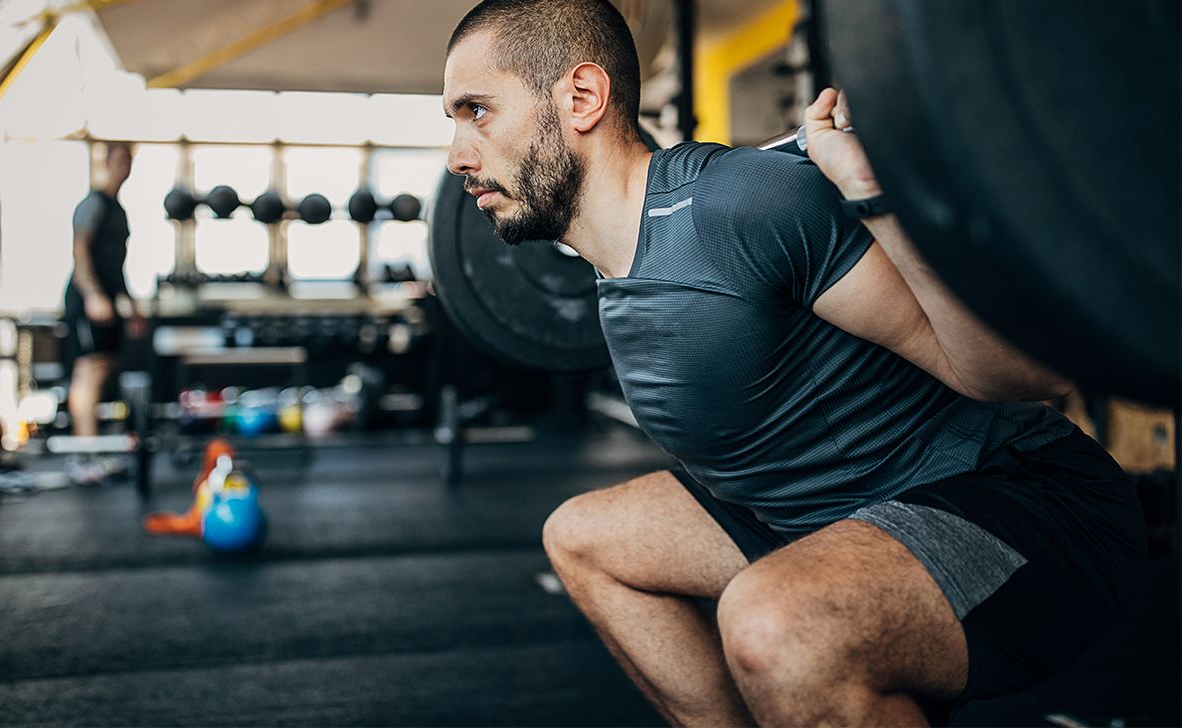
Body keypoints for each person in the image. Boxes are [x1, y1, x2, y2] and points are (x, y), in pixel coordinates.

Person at [441, 1, 1146, 724]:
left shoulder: (744, 204)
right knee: (585, 538)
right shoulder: (617, 252)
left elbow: (1025, 379)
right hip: (822, 512)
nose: (457, 155)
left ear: (582, 98)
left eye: (478, 112)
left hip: (1016, 503)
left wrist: (869, 190)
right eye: (452, 121)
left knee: (772, 622)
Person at [63, 141, 144, 484]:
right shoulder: (91, 205)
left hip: (109, 299)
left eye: (129, 160)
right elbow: (80, 253)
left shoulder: (118, 210)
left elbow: (117, 266)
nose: (124, 166)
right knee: (90, 370)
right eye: (119, 159)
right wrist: (94, 295)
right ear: (106, 162)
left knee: (106, 366)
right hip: (87, 299)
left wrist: (131, 303)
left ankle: (95, 447)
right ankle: (84, 456)